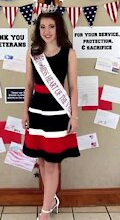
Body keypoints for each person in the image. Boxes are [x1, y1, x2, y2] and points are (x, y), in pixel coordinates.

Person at [22, 11, 80, 220]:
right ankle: (51, 200)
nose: (47, 31)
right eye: (43, 27)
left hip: (58, 112)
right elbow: (29, 85)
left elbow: (73, 87)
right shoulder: (33, 52)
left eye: (51, 26)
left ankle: (45, 212)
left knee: (53, 161)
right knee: (42, 161)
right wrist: (24, 112)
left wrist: (74, 116)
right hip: (37, 111)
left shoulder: (68, 52)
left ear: (59, 28)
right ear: (38, 30)